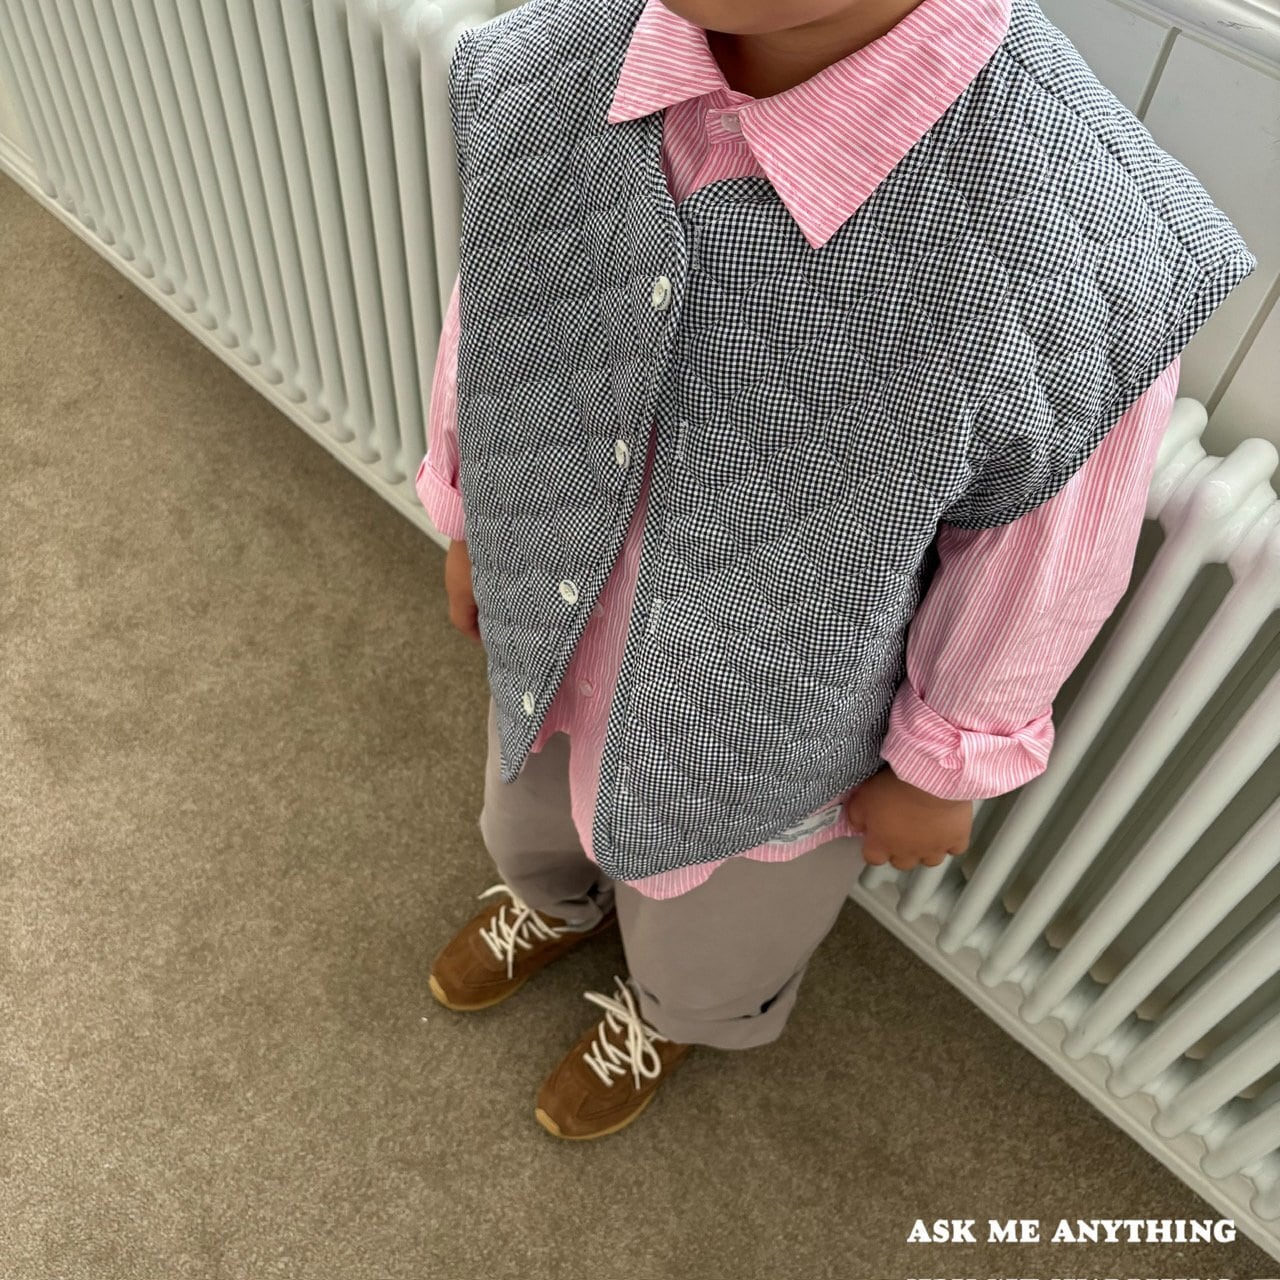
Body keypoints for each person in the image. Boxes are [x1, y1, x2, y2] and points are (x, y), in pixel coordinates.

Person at [415, 0, 1254, 1140]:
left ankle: (671, 1013)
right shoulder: (552, 61)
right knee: (528, 816)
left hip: (765, 728)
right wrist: (471, 507)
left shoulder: (1080, 236)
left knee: (719, 931)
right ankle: (553, 904)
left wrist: (944, 760)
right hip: (552, 625)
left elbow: (1040, 559)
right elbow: (501, 309)